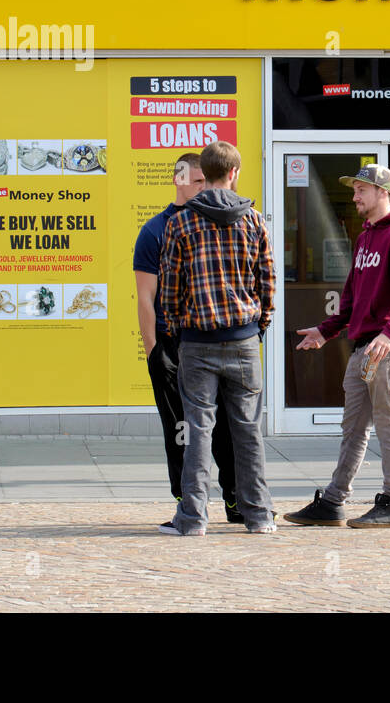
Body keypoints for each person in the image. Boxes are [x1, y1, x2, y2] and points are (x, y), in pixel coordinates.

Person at [286, 163, 390, 528]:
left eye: (360, 190)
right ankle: (333, 501)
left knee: (388, 423)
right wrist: (325, 330)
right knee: (354, 427)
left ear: (383, 193)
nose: (354, 197)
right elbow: (351, 300)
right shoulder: (365, 238)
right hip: (365, 346)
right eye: (354, 190)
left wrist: (389, 334)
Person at [157, 141, 276, 534]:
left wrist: (175, 330)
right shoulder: (255, 220)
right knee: (248, 432)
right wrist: (258, 326)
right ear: (236, 173)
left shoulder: (180, 223)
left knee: (197, 431)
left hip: (197, 342)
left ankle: (193, 518)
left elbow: (170, 289)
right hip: (243, 341)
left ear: (203, 176)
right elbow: (267, 283)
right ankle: (258, 516)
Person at [134, 152, 242, 523]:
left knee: (228, 427)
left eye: (206, 181)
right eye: (197, 182)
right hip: (173, 345)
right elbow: (145, 297)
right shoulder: (155, 231)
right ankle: (188, 505)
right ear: (179, 181)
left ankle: (235, 500)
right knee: (181, 430)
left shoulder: (217, 223)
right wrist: (154, 352)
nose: (204, 189)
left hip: (214, 341)